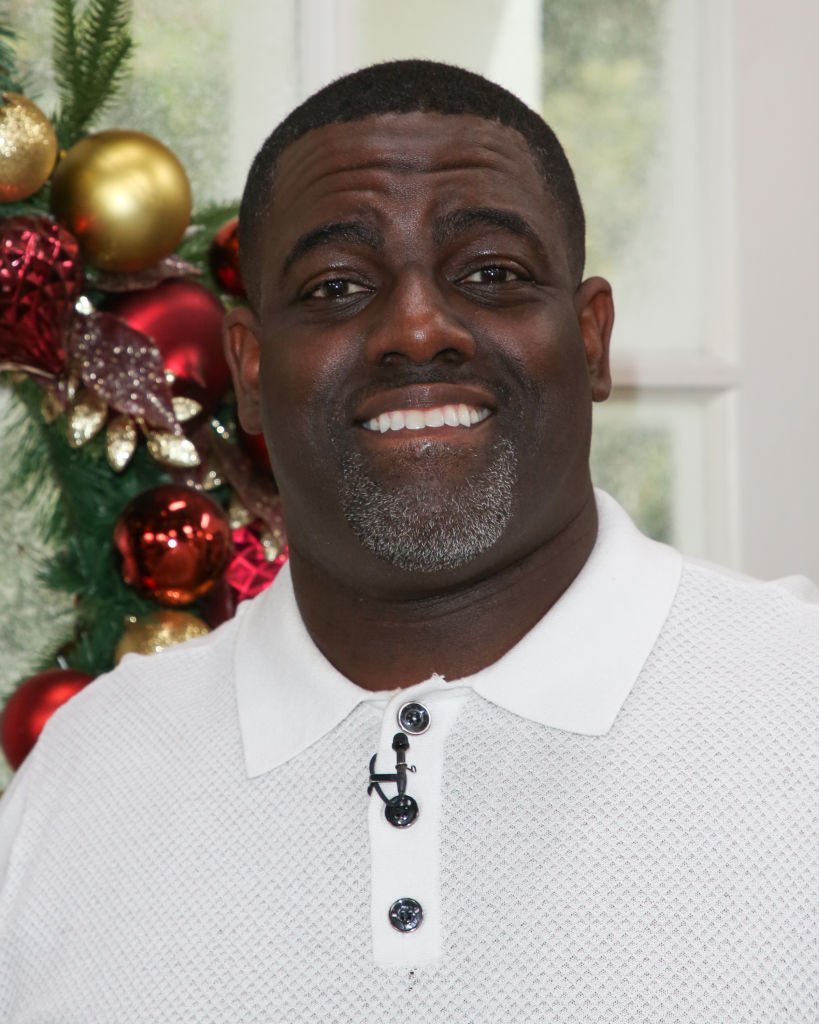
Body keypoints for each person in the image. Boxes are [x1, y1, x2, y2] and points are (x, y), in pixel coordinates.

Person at [0, 60, 816, 1022]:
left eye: (492, 274)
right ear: (251, 369)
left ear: (590, 338)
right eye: (337, 285)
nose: (418, 328)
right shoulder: (92, 773)